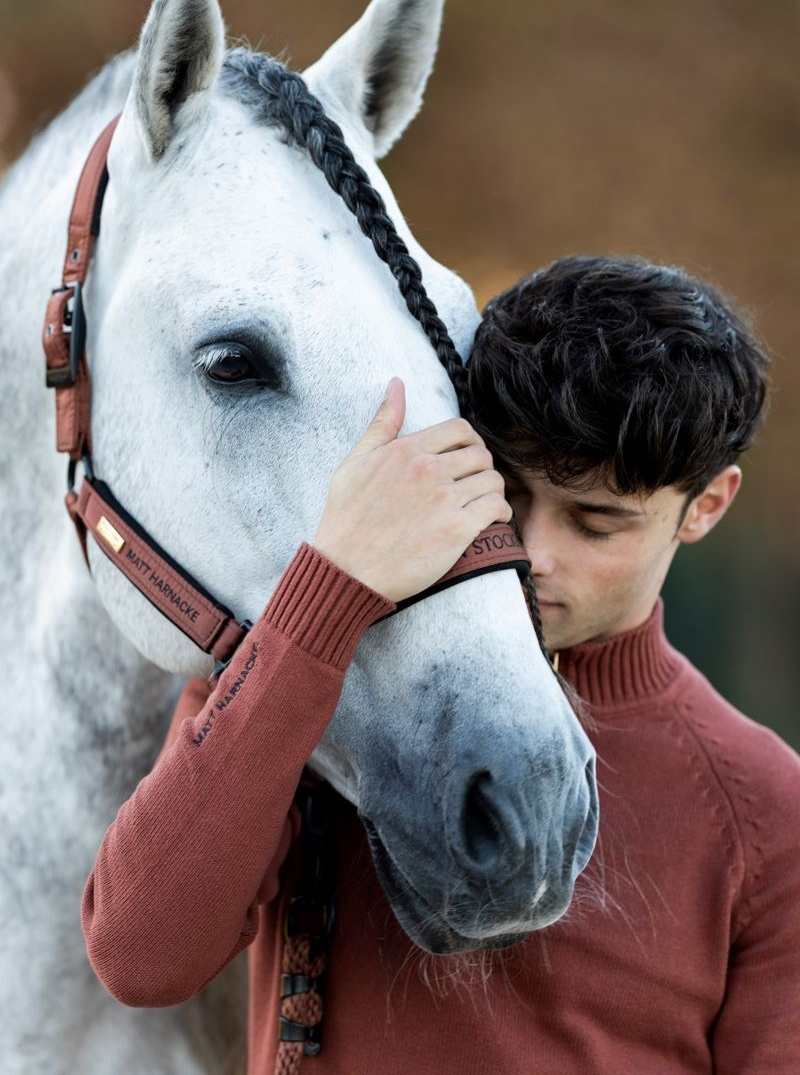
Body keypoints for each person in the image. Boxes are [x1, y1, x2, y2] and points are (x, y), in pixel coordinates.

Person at [82, 255, 800, 1074]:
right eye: (502, 492)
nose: (531, 556)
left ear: (707, 505)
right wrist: (326, 596)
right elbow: (139, 957)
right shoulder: (314, 666)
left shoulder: (765, 814)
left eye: (596, 525)